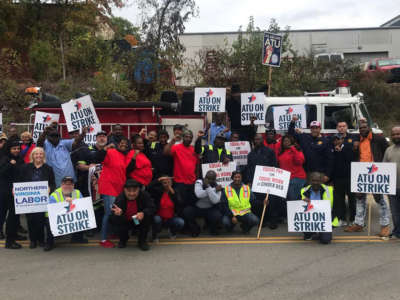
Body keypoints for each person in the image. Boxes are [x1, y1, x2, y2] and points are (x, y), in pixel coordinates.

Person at [345, 121, 390, 237]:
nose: (362, 129)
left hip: (376, 172)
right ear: (358, 130)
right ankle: (358, 224)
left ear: (369, 128)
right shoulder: (356, 140)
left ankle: (385, 225)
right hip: (361, 173)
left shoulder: (378, 139)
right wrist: (354, 148)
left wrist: (384, 168)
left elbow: (387, 151)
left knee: (380, 200)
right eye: (360, 128)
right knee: (359, 199)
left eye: (365, 127)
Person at [96, 138, 130, 248]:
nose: (123, 144)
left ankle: (111, 233)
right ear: (117, 144)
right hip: (108, 187)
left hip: (118, 188)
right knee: (108, 213)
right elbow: (99, 157)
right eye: (121, 143)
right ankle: (103, 239)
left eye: (125, 144)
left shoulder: (125, 157)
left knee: (114, 212)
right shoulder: (111, 152)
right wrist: (105, 148)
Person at [19, 147, 56, 249]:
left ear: (43, 156)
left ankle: (40, 240)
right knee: (30, 220)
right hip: (29, 199)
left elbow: (53, 183)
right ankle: (33, 240)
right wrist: (17, 190)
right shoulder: (25, 167)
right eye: (36, 154)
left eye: (40, 154)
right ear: (32, 156)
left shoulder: (48, 168)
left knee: (40, 220)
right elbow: (20, 182)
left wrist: (50, 188)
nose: (38, 156)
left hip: (42, 199)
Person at [245, 134, 281, 229]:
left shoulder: (270, 152)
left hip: (267, 181)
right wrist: (249, 180)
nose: (257, 141)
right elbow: (249, 168)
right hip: (256, 182)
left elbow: (274, 165)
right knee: (259, 202)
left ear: (262, 140)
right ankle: (263, 220)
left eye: (259, 139)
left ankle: (273, 221)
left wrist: (272, 178)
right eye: (255, 139)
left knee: (271, 201)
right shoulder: (251, 154)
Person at [110, 179, 155, 250]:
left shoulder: (144, 195)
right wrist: (118, 214)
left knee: (147, 218)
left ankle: (142, 241)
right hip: (126, 220)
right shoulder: (119, 198)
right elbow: (113, 213)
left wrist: (144, 213)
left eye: (134, 191)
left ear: (139, 190)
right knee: (116, 219)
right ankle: (123, 239)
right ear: (124, 190)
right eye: (129, 191)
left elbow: (152, 207)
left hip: (138, 220)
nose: (132, 194)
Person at [46, 176, 87, 251]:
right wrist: (65, 203)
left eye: (70, 184)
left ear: (73, 185)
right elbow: (52, 211)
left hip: (71, 214)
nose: (68, 186)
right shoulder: (54, 195)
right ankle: (49, 243)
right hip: (55, 216)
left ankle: (77, 238)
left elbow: (82, 207)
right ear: (61, 185)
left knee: (82, 217)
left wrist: (73, 202)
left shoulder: (77, 192)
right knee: (49, 222)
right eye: (65, 184)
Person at [289, 116, 333, 183]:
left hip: (320, 174)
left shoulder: (326, 141)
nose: (314, 130)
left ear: (320, 129)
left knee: (319, 193)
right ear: (310, 129)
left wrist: (328, 174)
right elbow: (291, 134)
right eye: (312, 128)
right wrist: (293, 121)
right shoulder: (304, 137)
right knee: (306, 192)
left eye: (316, 128)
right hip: (305, 172)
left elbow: (330, 159)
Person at [0, 139, 26, 248]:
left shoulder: (20, 159)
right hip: (5, 192)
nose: (16, 150)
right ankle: (9, 241)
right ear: (9, 149)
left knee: (15, 216)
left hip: (16, 192)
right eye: (14, 149)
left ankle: (14, 234)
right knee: (4, 215)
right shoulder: (5, 158)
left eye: (18, 149)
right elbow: (2, 172)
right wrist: (10, 164)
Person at [164, 130, 198, 211]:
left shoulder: (194, 150)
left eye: (190, 137)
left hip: (191, 182)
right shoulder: (176, 147)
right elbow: (166, 152)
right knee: (180, 204)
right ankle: (181, 223)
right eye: (186, 136)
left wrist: (196, 178)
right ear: (183, 138)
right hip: (180, 182)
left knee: (190, 205)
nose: (188, 139)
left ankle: (189, 222)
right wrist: (173, 140)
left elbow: (196, 165)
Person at [184, 170, 223, 236]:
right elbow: (199, 194)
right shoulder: (199, 182)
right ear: (205, 177)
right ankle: (195, 228)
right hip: (197, 208)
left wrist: (208, 187)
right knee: (187, 211)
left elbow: (215, 200)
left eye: (212, 179)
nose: (210, 180)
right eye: (208, 178)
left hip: (210, 209)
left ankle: (212, 228)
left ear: (215, 179)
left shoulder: (218, 185)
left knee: (217, 215)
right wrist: (214, 189)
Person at [301, 172, 334, 244]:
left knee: (325, 240)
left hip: (324, 219)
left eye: (317, 180)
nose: (315, 182)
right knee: (307, 236)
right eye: (313, 180)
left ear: (321, 181)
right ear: (310, 181)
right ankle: (311, 234)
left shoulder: (330, 190)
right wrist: (303, 201)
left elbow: (334, 207)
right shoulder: (303, 191)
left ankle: (320, 234)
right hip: (310, 219)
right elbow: (298, 208)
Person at [148, 176, 184, 241]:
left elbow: (180, 203)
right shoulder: (158, 191)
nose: (167, 185)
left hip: (171, 218)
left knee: (180, 222)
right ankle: (155, 235)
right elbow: (149, 187)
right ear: (162, 184)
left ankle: (172, 232)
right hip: (159, 217)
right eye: (165, 183)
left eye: (169, 183)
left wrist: (172, 192)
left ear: (171, 183)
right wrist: (159, 179)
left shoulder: (175, 191)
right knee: (157, 219)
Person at [331, 133, 356, 227]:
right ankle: (342, 219)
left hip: (349, 177)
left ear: (342, 140)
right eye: (335, 140)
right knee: (339, 200)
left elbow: (351, 159)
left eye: (339, 139)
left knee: (352, 199)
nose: (337, 141)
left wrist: (341, 151)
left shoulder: (348, 147)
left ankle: (353, 219)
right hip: (337, 179)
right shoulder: (332, 150)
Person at [383, 126, 400, 239]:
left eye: (398, 134)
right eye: (393, 134)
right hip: (393, 187)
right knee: (395, 213)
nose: (396, 136)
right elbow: (384, 168)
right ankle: (397, 232)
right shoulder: (389, 150)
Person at [278, 135, 306, 201]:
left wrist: (293, 149)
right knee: (287, 200)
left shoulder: (297, 150)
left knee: (293, 200)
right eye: (284, 141)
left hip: (296, 178)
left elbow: (300, 161)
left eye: (288, 141)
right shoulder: (282, 152)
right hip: (286, 179)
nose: (286, 142)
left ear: (292, 142)